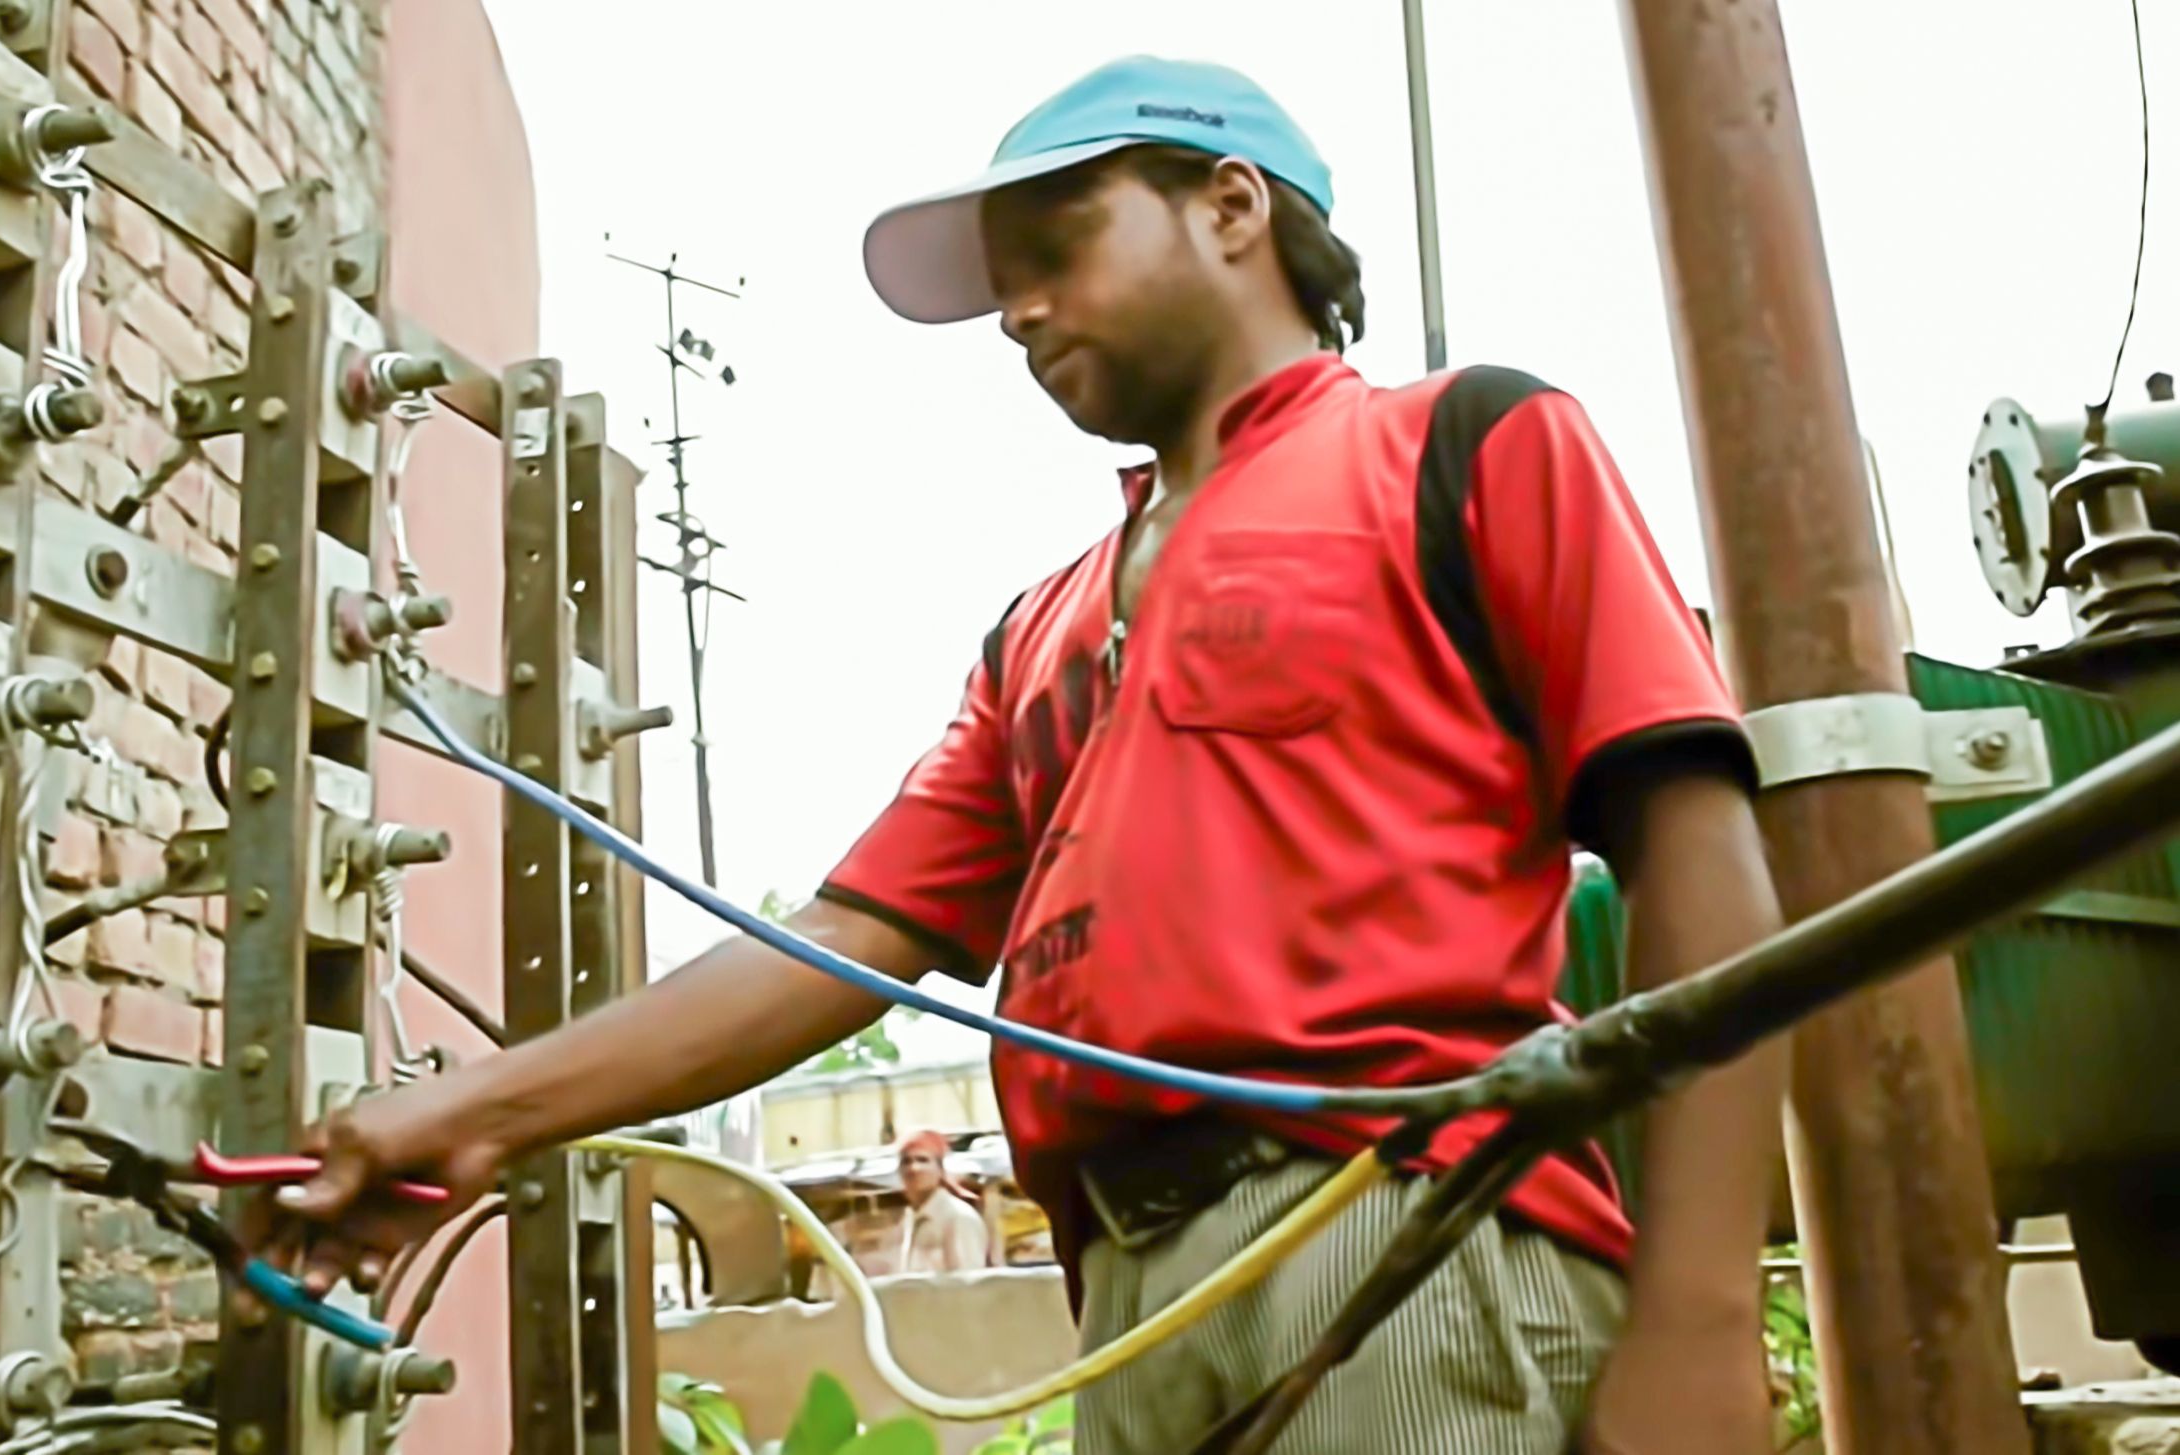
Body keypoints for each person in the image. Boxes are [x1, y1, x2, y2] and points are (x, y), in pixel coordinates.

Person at [254, 55, 1788, 1454]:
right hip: (1132, 1295)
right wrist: (459, 1113)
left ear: (1233, 206)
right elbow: (841, 948)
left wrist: (1705, 1312)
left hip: (1404, 1231)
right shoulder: (1039, 629)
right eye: (1002, 288)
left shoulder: (1466, 442)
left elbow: (1700, 852)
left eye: (1058, 249)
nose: (1021, 311)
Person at [892, 1129, 992, 1276]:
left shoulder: (958, 1218)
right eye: (906, 1161)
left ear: (940, 1170)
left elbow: (967, 1283)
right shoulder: (911, 1218)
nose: (914, 1168)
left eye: (923, 1160)